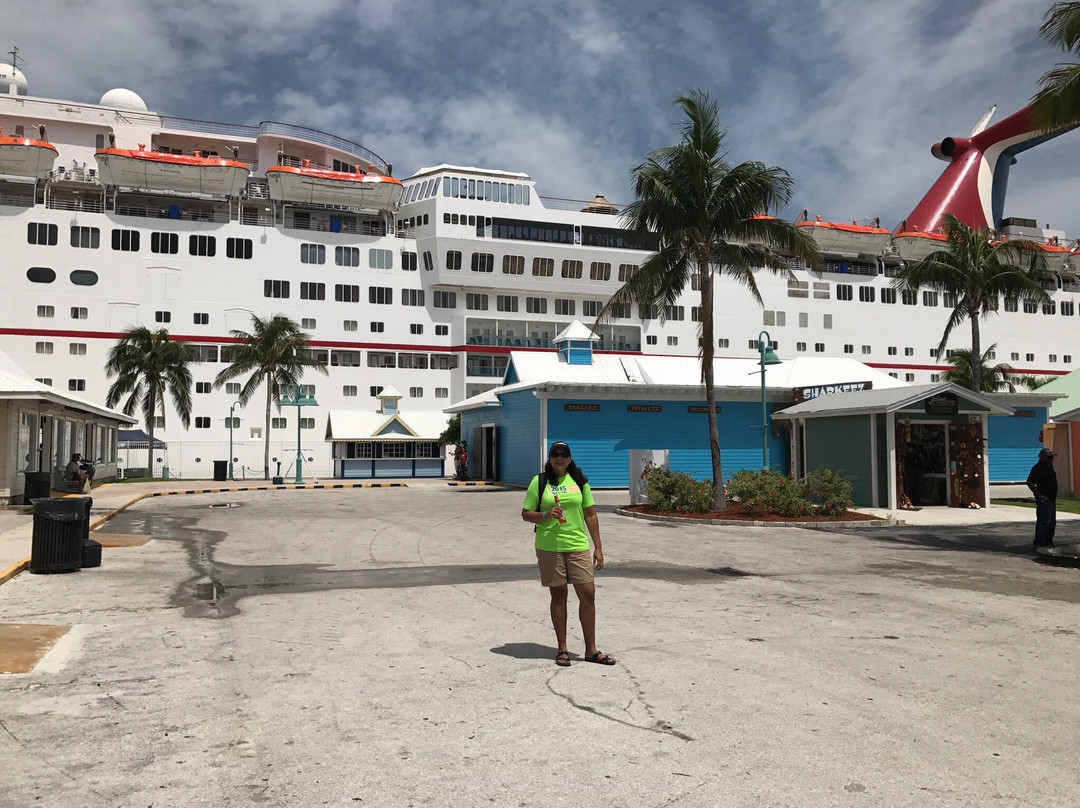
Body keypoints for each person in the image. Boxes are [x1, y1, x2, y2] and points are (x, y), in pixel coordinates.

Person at [521, 441, 615, 667]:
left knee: (588, 594)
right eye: (555, 454)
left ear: (570, 458)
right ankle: (562, 649)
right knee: (559, 596)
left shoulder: (579, 482)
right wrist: (545, 515)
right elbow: (526, 514)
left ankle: (591, 650)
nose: (559, 458)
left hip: (577, 545)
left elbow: (590, 514)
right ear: (550, 458)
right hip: (549, 546)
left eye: (564, 455)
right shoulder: (540, 482)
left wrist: (598, 547)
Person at [1026, 447, 1057, 551]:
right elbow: (1030, 482)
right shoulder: (1038, 468)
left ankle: (1048, 542)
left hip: (1051, 499)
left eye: (1052, 457)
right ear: (1042, 457)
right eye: (1049, 457)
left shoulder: (1049, 466)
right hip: (1044, 499)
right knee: (1044, 521)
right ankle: (1038, 543)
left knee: (1051, 521)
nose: (1051, 459)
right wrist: (1040, 496)